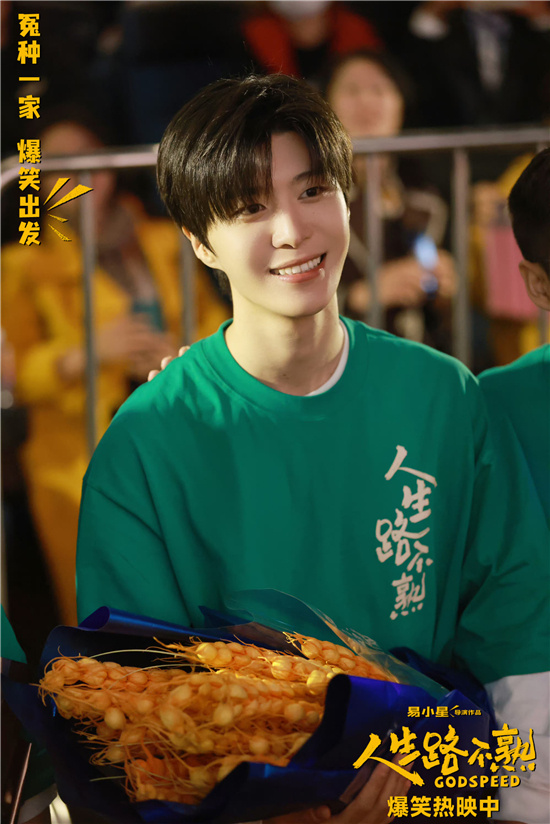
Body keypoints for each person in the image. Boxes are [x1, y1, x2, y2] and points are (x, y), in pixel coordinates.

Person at [76, 75, 547, 823]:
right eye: (250, 208)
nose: (292, 231)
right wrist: (260, 803)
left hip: (427, 789)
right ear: (199, 242)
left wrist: (444, 779)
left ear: (347, 199)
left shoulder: (441, 396)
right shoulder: (145, 444)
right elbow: (132, 691)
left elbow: (512, 625)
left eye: (313, 191)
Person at [1, 112, 230, 626]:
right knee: (104, 606)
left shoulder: (164, 240)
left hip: (179, 433)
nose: (79, 177)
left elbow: (217, 325)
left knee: (196, 593)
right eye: (58, 166)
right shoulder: (23, 263)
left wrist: (182, 353)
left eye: (89, 161)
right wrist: (86, 354)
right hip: (78, 449)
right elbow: (15, 372)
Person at [323, 50, 456, 349]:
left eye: (379, 90)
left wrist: (446, 290)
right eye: (351, 91)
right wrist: (362, 296)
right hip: (341, 354)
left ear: (401, 105)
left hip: (417, 355)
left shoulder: (429, 197)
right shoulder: (311, 197)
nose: (366, 101)